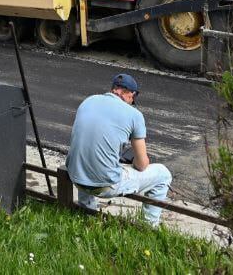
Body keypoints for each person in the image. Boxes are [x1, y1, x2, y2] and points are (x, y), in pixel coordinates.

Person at [67, 73, 173, 228]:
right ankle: (150, 226)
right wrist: (134, 163)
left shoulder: (89, 101)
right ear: (131, 94)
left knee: (89, 156)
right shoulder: (134, 115)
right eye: (133, 100)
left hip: (76, 176)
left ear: (114, 89)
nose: (131, 103)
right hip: (103, 186)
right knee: (163, 174)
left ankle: (87, 211)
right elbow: (142, 165)